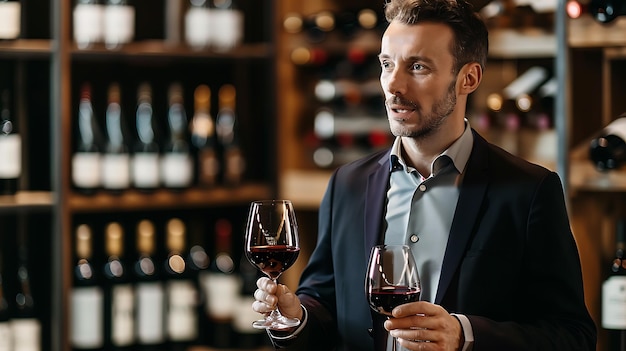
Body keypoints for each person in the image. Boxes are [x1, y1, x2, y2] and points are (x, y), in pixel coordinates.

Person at [252, 0, 597, 350]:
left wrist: (465, 335)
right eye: (387, 65)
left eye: (417, 67)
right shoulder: (348, 184)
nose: (394, 85)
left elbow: (573, 336)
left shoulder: (528, 191)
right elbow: (325, 304)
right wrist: (296, 317)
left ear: (468, 78)